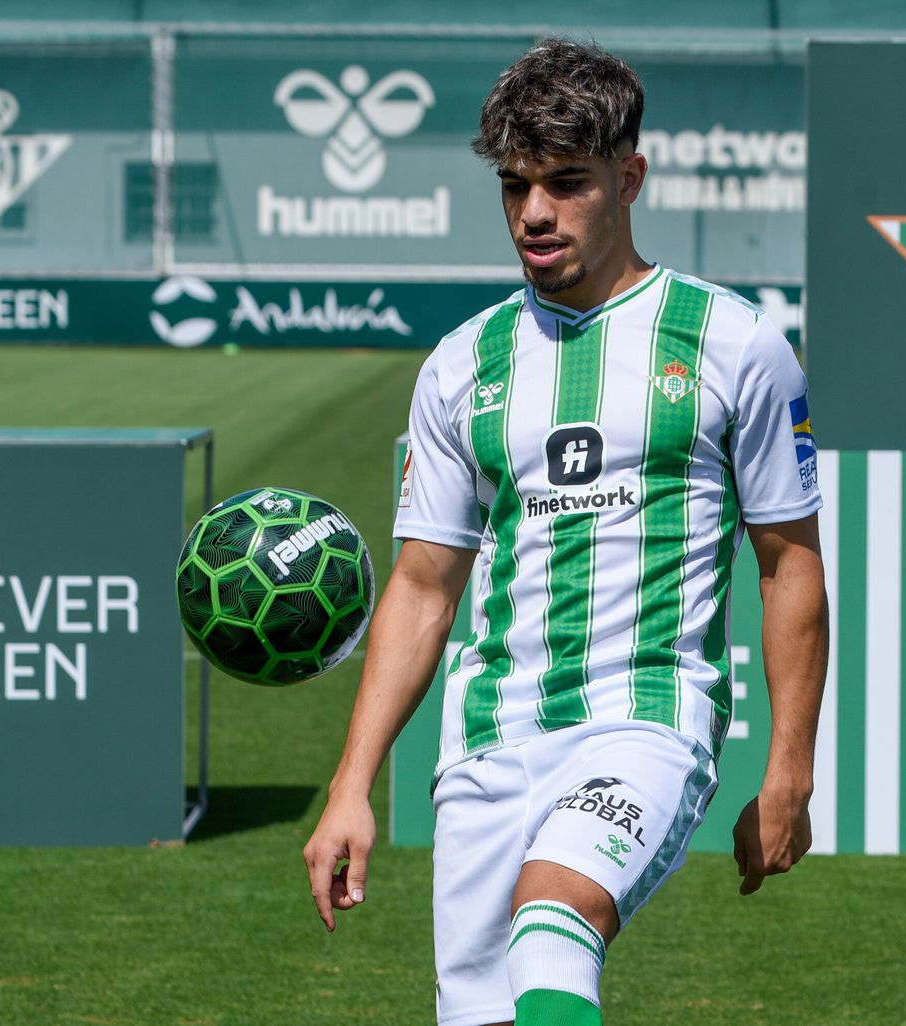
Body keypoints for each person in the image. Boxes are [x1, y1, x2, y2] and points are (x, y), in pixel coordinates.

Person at [303, 37, 829, 1026]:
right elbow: (423, 588)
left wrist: (788, 772)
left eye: (565, 183)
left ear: (628, 179)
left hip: (646, 720)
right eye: (514, 187)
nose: (534, 214)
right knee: (491, 1012)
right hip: (487, 747)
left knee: (553, 924)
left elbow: (789, 565)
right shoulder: (462, 364)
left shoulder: (733, 343)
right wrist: (352, 785)